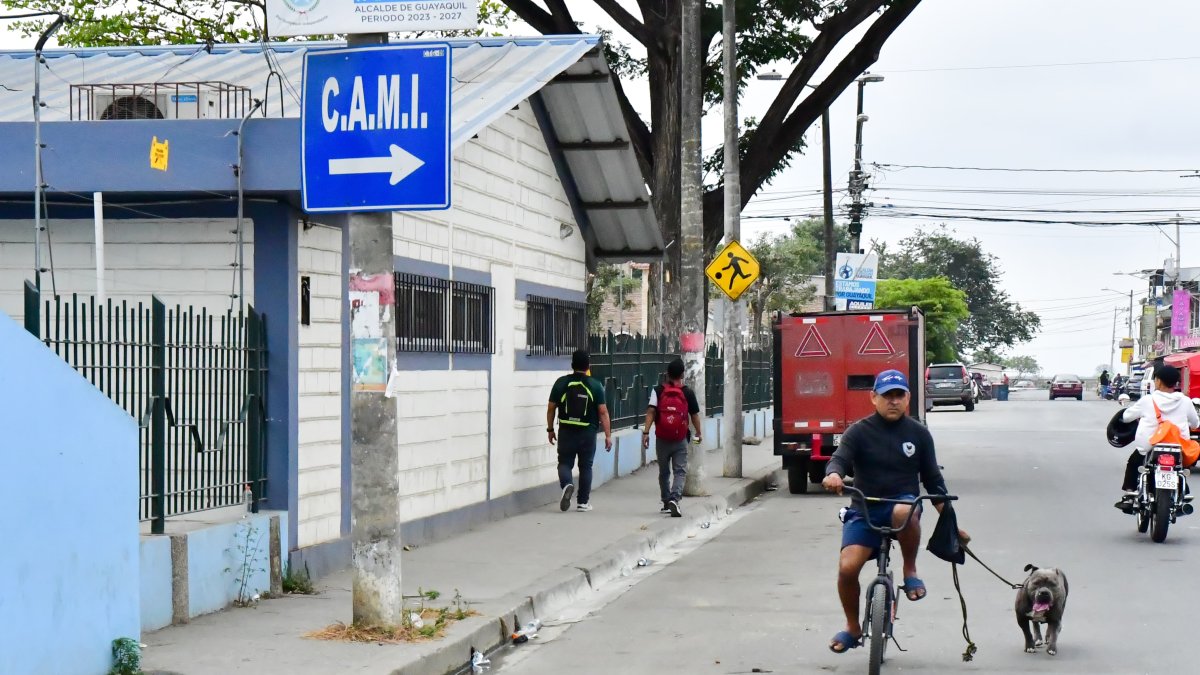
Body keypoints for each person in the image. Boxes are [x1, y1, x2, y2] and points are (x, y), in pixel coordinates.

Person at [821, 369, 970, 654]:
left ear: (908, 398)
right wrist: (834, 475)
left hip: (903, 507)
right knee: (847, 568)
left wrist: (952, 525)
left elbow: (934, 482)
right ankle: (853, 628)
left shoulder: (919, 434)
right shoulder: (858, 431)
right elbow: (838, 460)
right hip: (864, 509)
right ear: (873, 397)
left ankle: (909, 569)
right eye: (886, 395)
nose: (893, 401)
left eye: (899, 395)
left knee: (904, 510)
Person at [1116, 364, 1199, 504]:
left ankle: (1130, 494)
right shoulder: (1186, 401)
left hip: (1150, 445)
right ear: (1176, 383)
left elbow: (1126, 417)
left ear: (1158, 381)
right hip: (1178, 446)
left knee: (1133, 462)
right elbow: (1195, 424)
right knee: (1179, 469)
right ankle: (1183, 493)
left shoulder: (1148, 400)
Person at [547, 350, 612, 512]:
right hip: (587, 432)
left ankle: (567, 484)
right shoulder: (595, 385)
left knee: (564, 462)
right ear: (588, 366)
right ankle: (583, 502)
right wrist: (608, 435)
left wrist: (550, 428)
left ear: (572, 365)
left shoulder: (561, 383)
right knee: (585, 466)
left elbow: (551, 408)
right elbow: (603, 412)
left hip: (566, 430)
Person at [642, 358, 702, 517]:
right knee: (680, 471)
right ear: (682, 374)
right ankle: (675, 498)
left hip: (662, 438)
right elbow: (694, 415)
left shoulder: (658, 390)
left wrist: (646, 432)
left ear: (667, 374)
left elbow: (651, 411)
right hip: (680, 438)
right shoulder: (687, 392)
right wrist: (698, 432)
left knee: (663, 471)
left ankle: (666, 501)